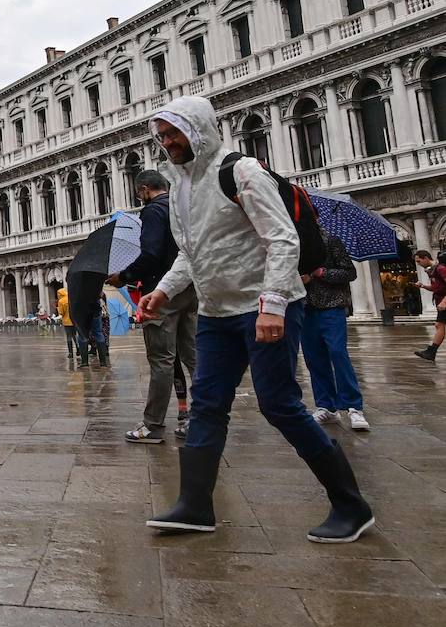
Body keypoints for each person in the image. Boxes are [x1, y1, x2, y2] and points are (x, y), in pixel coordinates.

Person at [141, 95, 373, 544]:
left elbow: (282, 238)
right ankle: (195, 505)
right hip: (214, 313)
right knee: (208, 405)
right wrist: (163, 291)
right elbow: (191, 254)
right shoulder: (179, 189)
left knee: (279, 404)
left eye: (175, 132)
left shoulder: (241, 171)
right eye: (163, 135)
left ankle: (350, 504)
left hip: (263, 308)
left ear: (200, 129)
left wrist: (273, 303)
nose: (168, 142)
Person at [110, 169, 197, 445]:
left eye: (139, 193)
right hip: (188, 288)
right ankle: (202, 418)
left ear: (146, 189)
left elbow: (150, 254)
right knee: (194, 356)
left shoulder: (152, 211)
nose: (140, 198)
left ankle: (152, 426)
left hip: (161, 293)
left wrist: (123, 276)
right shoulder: (181, 205)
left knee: (161, 360)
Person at [301, 232, 368, 430]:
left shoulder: (330, 240)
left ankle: (354, 406)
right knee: (313, 359)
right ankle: (326, 406)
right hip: (305, 307)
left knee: (338, 353)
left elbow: (350, 272)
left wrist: (320, 273)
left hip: (332, 305)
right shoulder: (293, 242)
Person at [413, 249, 446, 361]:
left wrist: (444, 301)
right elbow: (435, 288)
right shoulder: (432, 271)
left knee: (439, 325)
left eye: (419, 261)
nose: (418, 264)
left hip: (444, 302)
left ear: (426, 258)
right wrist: (422, 286)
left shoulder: (440, 268)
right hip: (441, 302)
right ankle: (431, 351)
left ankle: (431, 351)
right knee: (439, 325)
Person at [56, 286, 87, 364]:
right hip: (75, 320)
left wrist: (58, 308)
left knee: (69, 336)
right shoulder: (72, 298)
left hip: (67, 321)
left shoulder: (61, 301)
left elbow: (61, 313)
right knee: (75, 335)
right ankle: (78, 349)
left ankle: (70, 353)